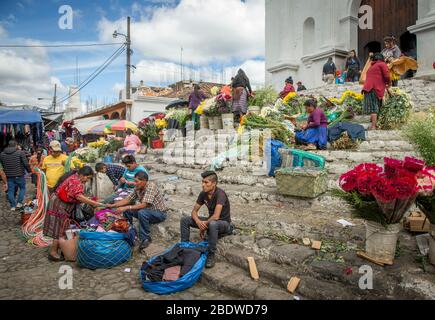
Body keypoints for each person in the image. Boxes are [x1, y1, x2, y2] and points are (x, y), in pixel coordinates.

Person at [43, 167, 104, 261]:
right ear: (82, 175)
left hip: (61, 203)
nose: (87, 180)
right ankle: (53, 252)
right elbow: (78, 196)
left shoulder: (75, 178)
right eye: (87, 178)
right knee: (59, 228)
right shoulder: (75, 181)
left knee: (63, 227)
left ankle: (64, 249)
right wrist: (94, 203)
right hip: (59, 204)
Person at [180, 171, 233, 269]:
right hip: (210, 221)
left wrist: (204, 226)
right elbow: (194, 212)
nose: (203, 185)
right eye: (202, 182)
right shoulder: (203, 194)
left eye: (206, 182)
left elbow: (216, 216)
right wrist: (198, 222)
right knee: (185, 220)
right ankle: (184, 247)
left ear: (214, 184)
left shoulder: (220, 194)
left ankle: (211, 254)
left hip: (224, 224)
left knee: (213, 224)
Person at [107, 171, 168, 252]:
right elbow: (128, 199)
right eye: (134, 181)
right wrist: (113, 206)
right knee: (128, 210)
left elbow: (144, 205)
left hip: (159, 213)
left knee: (141, 212)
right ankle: (129, 230)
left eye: (137, 181)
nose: (135, 183)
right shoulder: (138, 188)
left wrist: (126, 207)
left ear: (144, 181)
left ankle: (145, 238)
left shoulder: (151, 187)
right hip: (147, 211)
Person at [362, 53, 391, 131]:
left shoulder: (372, 66)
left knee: (373, 106)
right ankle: (374, 126)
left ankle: (373, 125)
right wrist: (389, 83)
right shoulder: (382, 64)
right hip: (374, 88)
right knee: (374, 107)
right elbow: (387, 76)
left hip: (367, 88)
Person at [0, 140, 31, 211]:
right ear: (16, 145)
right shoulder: (20, 153)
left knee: (10, 191)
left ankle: (13, 206)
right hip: (19, 175)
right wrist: (29, 171)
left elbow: (3, 165)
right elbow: (26, 163)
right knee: (22, 188)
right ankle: (19, 203)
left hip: (9, 176)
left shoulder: (2, 154)